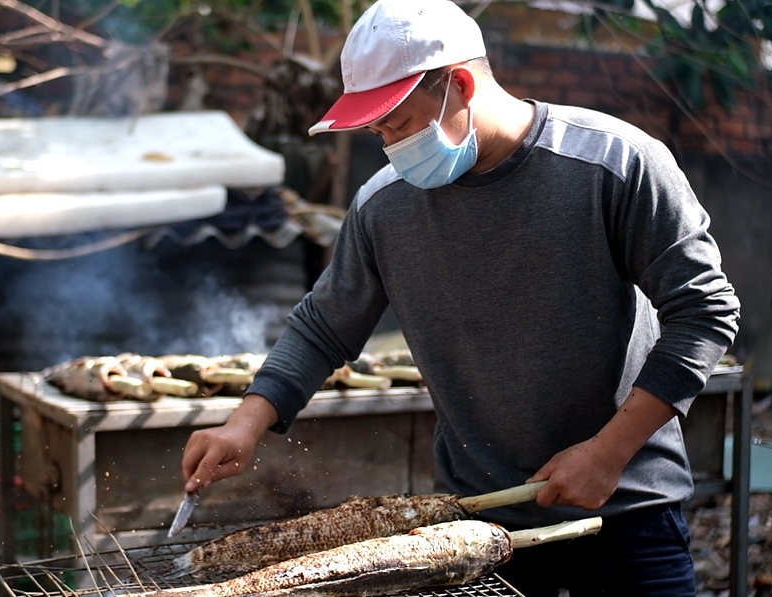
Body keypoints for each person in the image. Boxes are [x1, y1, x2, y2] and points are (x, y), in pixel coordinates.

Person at [179, 0, 740, 594]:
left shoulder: (615, 163)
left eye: (395, 122)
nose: (387, 144)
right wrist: (245, 422)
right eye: (376, 130)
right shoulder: (383, 205)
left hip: (627, 510)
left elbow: (704, 312)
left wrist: (607, 453)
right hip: (478, 522)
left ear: (461, 85)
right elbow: (323, 325)